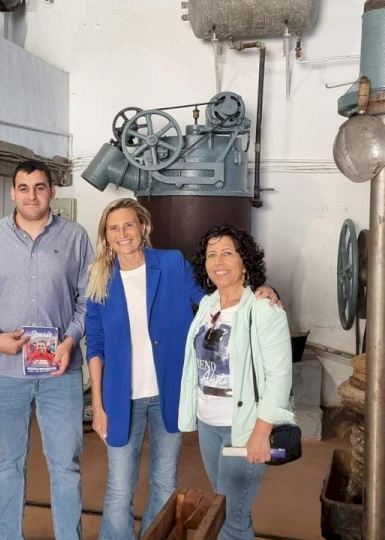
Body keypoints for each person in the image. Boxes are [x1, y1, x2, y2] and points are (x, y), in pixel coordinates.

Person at [86, 200, 279, 539]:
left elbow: (214, 298)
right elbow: (96, 344)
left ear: (143, 227)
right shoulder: (100, 278)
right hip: (120, 398)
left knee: (164, 482)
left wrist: (262, 291)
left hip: (169, 394)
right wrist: (98, 405)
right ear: (106, 235)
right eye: (113, 228)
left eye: (128, 225)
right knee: (119, 487)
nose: (122, 234)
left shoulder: (171, 263)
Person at [0, 160, 92, 539]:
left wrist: (70, 340)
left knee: (65, 465)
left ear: (52, 191)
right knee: (9, 463)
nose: (31, 195)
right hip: (5, 371)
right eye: (24, 188)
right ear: (13, 193)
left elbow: (88, 298)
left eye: (39, 187)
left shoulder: (75, 236)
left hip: (60, 371)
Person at [177, 224, 295, 540]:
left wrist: (261, 433)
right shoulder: (208, 305)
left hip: (243, 427)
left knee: (231, 518)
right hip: (208, 424)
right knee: (229, 509)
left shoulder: (263, 309)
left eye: (228, 253)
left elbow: (279, 376)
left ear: (245, 261)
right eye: (211, 255)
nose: (219, 262)